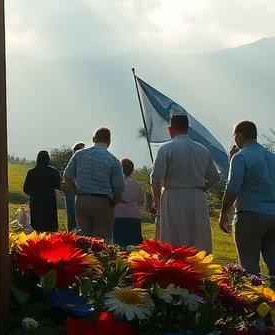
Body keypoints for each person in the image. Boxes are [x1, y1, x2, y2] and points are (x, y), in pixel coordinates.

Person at [152, 113, 222, 252]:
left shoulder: (166, 149)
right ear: (187, 128)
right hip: (197, 196)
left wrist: (157, 200)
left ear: (170, 129)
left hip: (173, 196)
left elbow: (156, 178)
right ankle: (198, 268)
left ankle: (174, 268)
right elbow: (215, 176)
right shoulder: (202, 149)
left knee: (173, 237)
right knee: (197, 237)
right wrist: (203, 187)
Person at [220, 120, 275, 277]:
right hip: (273, 215)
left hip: (250, 215)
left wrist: (223, 213)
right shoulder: (272, 157)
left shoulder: (240, 157)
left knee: (249, 267)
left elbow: (232, 187)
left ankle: (253, 300)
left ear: (240, 135)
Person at [63, 127, 126, 242]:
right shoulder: (113, 160)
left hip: (82, 200)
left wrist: (75, 189)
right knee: (103, 241)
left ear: (93, 139)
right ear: (109, 141)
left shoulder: (79, 155)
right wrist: (114, 201)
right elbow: (119, 186)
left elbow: (67, 176)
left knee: (85, 239)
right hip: (102, 201)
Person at [22, 150, 62, 232]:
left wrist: (33, 195)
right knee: (50, 224)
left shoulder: (32, 172)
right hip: (49, 200)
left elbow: (26, 188)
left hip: (36, 201)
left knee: (37, 224)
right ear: (48, 159)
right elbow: (59, 186)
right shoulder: (53, 171)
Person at [114, 158, 147, 248]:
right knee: (134, 245)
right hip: (133, 216)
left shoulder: (115, 183)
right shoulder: (136, 185)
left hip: (117, 215)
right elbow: (142, 201)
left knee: (119, 244)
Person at [63, 141, 86, 231]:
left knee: (72, 214)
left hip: (72, 190)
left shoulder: (72, 162)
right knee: (74, 215)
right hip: (75, 190)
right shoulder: (79, 162)